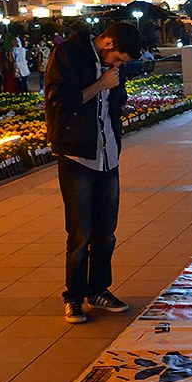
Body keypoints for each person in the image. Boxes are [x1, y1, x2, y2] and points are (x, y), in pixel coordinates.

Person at [44, 21, 141, 324]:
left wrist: (115, 94)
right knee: (79, 233)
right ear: (108, 43)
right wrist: (100, 84)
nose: (118, 65)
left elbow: (116, 100)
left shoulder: (112, 67)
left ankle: (98, 290)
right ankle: (73, 297)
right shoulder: (68, 54)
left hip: (107, 155)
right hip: (77, 155)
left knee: (106, 232)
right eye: (118, 59)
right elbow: (60, 100)